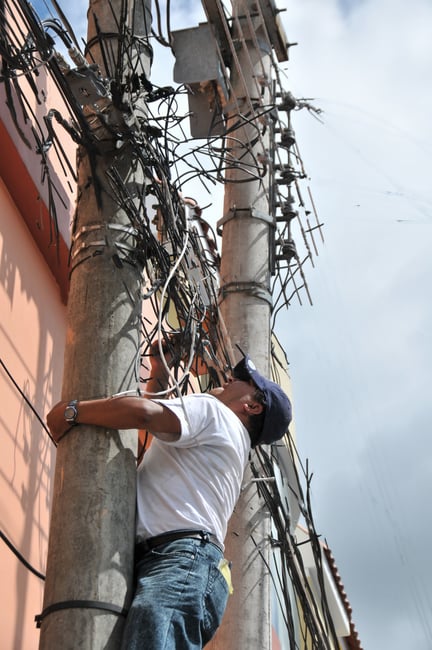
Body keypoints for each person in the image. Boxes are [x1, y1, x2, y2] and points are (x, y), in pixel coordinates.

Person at [46, 347, 292, 650]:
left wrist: (72, 412)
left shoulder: (214, 412)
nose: (230, 378)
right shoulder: (229, 442)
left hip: (181, 562)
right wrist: (160, 369)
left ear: (252, 406)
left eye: (242, 379)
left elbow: (143, 414)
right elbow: (154, 433)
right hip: (190, 566)